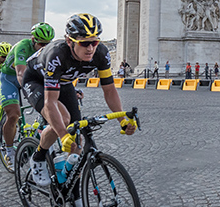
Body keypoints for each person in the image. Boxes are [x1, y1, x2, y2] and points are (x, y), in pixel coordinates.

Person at [22, 13, 136, 187]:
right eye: (84, 43)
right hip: (36, 80)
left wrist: (122, 119)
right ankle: (38, 158)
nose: (90, 48)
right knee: (64, 120)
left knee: (76, 141)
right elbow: (50, 103)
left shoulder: (101, 54)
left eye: (95, 42)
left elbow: (110, 90)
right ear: (69, 41)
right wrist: (62, 134)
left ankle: (72, 189)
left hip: (64, 82)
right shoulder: (56, 54)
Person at [0, 23, 54, 166]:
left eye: (47, 44)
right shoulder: (23, 46)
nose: (43, 48)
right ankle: (9, 150)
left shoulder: (48, 50)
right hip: (9, 79)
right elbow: (21, 73)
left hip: (31, 77)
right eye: (41, 44)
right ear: (33, 39)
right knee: (13, 114)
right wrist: (32, 94)